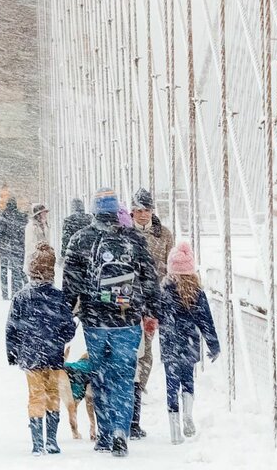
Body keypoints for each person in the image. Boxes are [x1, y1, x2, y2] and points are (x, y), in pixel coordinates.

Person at [62, 187, 160, 457]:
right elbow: (149, 277)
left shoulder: (80, 239)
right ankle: (121, 430)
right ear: (118, 210)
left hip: (94, 320)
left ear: (95, 210)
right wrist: (152, 309)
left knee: (101, 376)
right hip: (127, 318)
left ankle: (104, 434)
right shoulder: (134, 240)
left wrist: (67, 314)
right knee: (124, 378)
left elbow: (71, 284)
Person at [5, 244, 76, 456]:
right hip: (53, 354)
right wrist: (61, 339)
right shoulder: (59, 297)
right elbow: (68, 327)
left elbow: (12, 327)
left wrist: (13, 353)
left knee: (35, 396)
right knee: (53, 393)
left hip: (29, 355)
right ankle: (52, 440)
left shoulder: (21, 297)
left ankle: (37, 442)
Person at [158, 242, 219, 444]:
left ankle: (175, 431)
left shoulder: (164, 291)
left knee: (171, 385)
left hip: (169, 343)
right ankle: (188, 414)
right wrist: (213, 345)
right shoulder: (197, 293)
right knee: (188, 382)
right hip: (189, 343)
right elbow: (206, 321)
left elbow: (156, 315)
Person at [129, 188, 175, 439]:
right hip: (128, 299)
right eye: (139, 210)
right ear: (132, 211)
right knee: (131, 347)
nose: (143, 214)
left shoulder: (164, 234)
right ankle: (130, 390)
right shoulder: (124, 232)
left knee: (146, 349)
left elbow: (172, 263)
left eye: (147, 210)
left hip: (153, 300)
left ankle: (138, 387)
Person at [0, 197, 28, 299]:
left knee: (4, 271)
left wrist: (0, 243)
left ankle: (5, 293)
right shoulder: (20, 216)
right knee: (16, 271)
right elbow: (23, 232)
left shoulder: (1, 216)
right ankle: (15, 292)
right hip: (17, 247)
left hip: (5, 247)